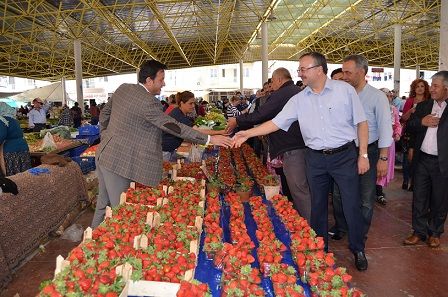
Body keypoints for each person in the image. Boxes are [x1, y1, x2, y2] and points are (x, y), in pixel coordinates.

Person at [233, 52, 369, 271]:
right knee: (317, 204)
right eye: (299, 70)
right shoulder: (298, 99)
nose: (300, 73)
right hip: (315, 157)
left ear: (319, 70)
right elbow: (276, 123)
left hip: (344, 156)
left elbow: (362, 123)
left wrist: (363, 155)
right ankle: (320, 247)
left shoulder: (345, 91)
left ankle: (358, 248)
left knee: (351, 203)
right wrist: (247, 134)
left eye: (303, 69)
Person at [92, 59, 232, 228]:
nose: (163, 84)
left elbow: (105, 113)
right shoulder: (149, 102)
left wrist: (106, 134)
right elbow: (174, 127)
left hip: (104, 154)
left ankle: (90, 243)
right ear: (149, 81)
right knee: (121, 210)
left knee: (103, 204)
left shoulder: (123, 88)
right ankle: (112, 249)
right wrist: (209, 139)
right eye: (161, 80)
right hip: (118, 163)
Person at [226, 67, 311, 220]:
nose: (271, 86)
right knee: (298, 187)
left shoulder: (282, 94)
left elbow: (262, 115)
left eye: (272, 82)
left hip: (292, 147)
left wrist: (238, 122)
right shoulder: (296, 92)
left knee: (299, 189)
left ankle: (307, 225)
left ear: (278, 79)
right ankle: (299, 218)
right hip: (300, 145)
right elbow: (277, 121)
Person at [330, 55, 393, 241]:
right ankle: (341, 226)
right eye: (343, 72)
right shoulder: (341, 94)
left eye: (348, 72)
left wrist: (383, 158)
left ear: (362, 72)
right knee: (338, 193)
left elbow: (385, 129)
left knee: (366, 197)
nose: (345, 76)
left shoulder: (377, 97)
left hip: (370, 152)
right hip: (343, 152)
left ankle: (360, 233)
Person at [403, 71, 448, 249]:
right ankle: (418, 232)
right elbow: (409, 127)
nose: (432, 89)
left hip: (442, 163)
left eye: (436, 86)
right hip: (422, 160)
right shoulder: (423, 106)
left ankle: (435, 233)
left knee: (440, 199)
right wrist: (422, 121)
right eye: (432, 85)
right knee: (419, 197)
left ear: (446, 87)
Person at [162, 91, 226, 160]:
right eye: (190, 103)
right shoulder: (179, 116)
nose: (193, 106)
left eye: (194, 103)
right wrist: (221, 132)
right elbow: (197, 131)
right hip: (166, 152)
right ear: (182, 103)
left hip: (169, 149)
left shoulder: (179, 112)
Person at [400, 79, 431, 191]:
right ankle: (405, 180)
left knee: (418, 158)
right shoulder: (409, 101)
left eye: (422, 86)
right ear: (414, 88)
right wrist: (411, 110)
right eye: (417, 86)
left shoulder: (429, 101)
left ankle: (414, 182)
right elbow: (403, 118)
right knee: (407, 158)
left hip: (423, 133)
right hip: (409, 133)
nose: (420, 88)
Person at [375, 88, 402, 205]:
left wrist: (397, 133)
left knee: (383, 167)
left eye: (389, 96)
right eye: (384, 95)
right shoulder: (375, 108)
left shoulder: (394, 109)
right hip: (374, 143)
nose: (387, 98)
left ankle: (379, 191)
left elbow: (397, 124)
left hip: (388, 143)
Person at [0, 102, 32, 176]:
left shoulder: (2, 120)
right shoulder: (13, 119)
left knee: (14, 175)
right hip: (23, 148)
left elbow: (1, 136)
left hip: (11, 151)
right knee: (23, 172)